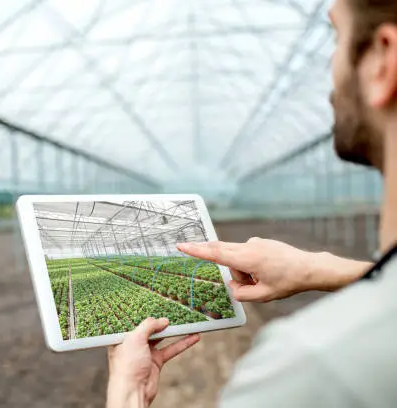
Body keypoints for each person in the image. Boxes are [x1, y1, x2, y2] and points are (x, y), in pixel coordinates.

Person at [106, 0, 397, 406]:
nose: (329, 67)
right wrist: (315, 268)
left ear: (383, 60)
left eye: (336, 36)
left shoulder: (312, 371)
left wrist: (126, 393)